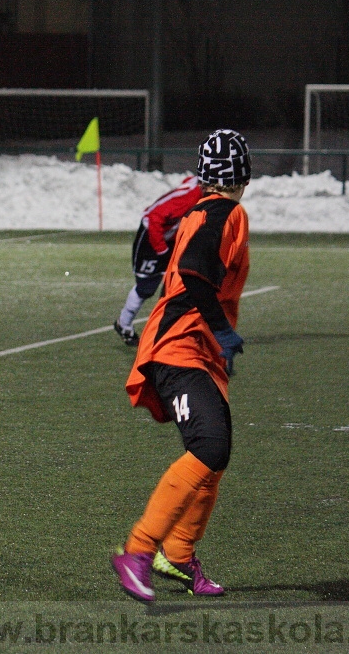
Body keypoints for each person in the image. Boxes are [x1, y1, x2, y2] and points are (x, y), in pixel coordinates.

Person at [111, 129, 252, 602]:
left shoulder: (204, 210)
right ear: (244, 173)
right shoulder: (225, 212)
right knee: (211, 446)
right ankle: (138, 550)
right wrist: (224, 331)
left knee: (215, 455)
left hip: (196, 350)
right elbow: (193, 273)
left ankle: (178, 554)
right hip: (179, 347)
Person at [114, 175, 204, 346]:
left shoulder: (199, 191)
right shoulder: (188, 199)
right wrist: (161, 249)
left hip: (170, 237)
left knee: (183, 281)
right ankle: (123, 323)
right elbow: (154, 217)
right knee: (146, 286)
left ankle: (177, 329)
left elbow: (188, 180)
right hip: (152, 237)